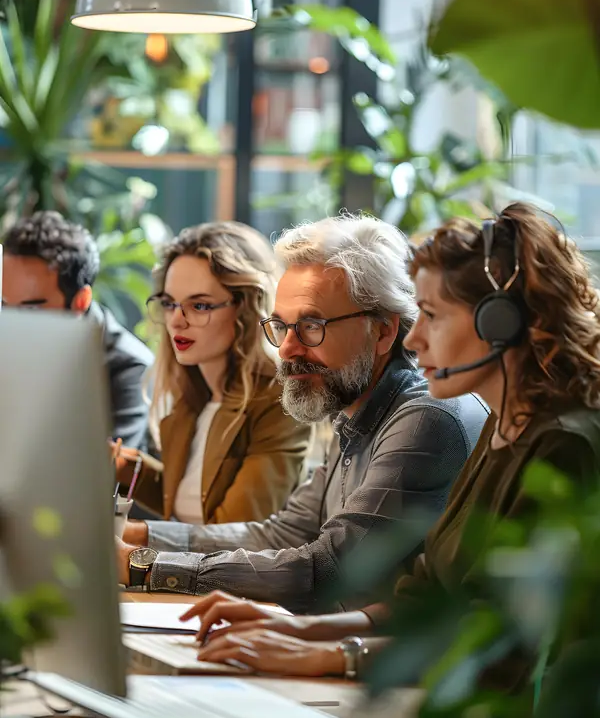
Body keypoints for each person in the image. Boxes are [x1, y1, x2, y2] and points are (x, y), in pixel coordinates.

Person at [182, 203, 600, 678]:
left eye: (432, 316)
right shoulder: (501, 430)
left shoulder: (561, 445)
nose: (414, 338)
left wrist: (334, 656)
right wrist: (303, 632)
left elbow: (501, 639)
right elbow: (425, 598)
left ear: (498, 325)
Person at [117, 213, 489, 608]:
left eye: (312, 326)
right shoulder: (353, 410)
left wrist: (148, 565)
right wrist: (136, 539)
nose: (288, 349)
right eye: (281, 327)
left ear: (383, 330)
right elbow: (282, 533)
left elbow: (327, 568)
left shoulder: (425, 420)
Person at [113, 221, 311, 526]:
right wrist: (123, 465)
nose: (176, 321)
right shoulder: (193, 394)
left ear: (245, 309)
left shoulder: (278, 400)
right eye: (169, 304)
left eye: (200, 305)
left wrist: (135, 540)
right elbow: (189, 494)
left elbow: (235, 533)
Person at [2, 210, 154, 449]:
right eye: (3, 304)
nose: (11, 322)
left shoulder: (130, 369)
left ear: (81, 301)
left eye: (30, 309)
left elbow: (113, 476)